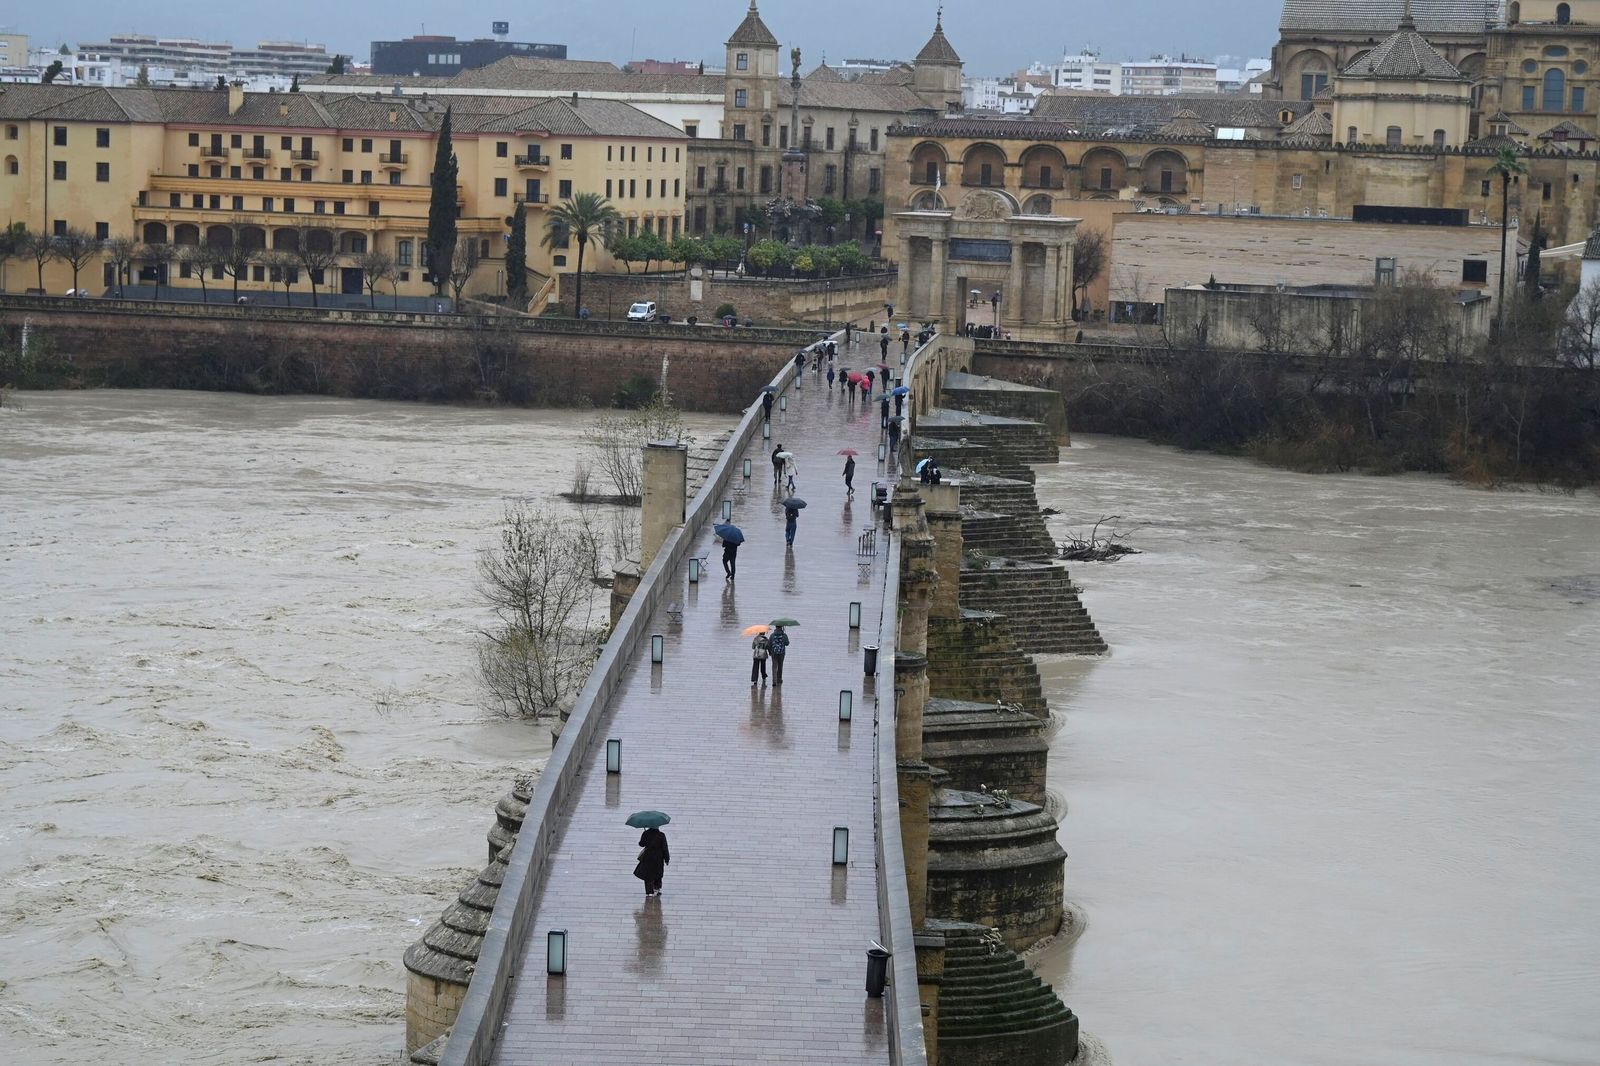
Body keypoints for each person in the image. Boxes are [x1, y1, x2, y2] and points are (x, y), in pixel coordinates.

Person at [634, 826, 670, 898]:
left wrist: (644, 835)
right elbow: (665, 848)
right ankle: (657, 888)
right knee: (658, 873)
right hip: (658, 858)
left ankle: (649, 892)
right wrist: (667, 859)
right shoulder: (661, 835)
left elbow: (641, 844)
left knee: (648, 874)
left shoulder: (646, 833)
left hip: (648, 857)